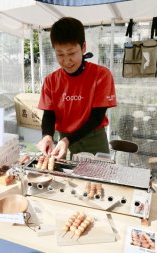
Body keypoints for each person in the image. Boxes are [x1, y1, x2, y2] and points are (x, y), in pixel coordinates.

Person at [36, 17, 117, 160]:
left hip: (94, 138)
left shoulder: (101, 75)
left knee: (98, 180)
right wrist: (47, 136)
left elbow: (96, 118)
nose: (66, 61)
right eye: (60, 54)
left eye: (72, 53)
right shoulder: (51, 80)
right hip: (63, 140)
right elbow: (49, 114)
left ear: (83, 47)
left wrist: (68, 139)